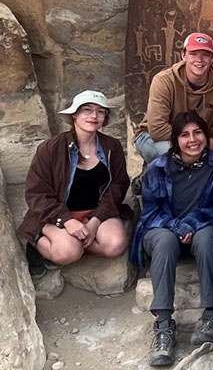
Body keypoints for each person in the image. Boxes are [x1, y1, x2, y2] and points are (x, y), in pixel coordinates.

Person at [130, 110, 213, 366]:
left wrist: (190, 225)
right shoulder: (158, 168)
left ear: (206, 136)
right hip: (162, 230)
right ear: (175, 140)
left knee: (208, 236)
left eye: (198, 133)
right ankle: (163, 326)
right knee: (164, 240)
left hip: (199, 229)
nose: (192, 139)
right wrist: (176, 227)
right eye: (184, 135)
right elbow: (151, 212)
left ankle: (211, 317)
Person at [19, 90, 132, 275]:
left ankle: (77, 241)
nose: (94, 116)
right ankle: (39, 241)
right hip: (57, 213)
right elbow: (36, 193)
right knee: (68, 252)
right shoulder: (50, 149)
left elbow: (118, 185)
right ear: (74, 114)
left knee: (115, 245)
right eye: (87, 110)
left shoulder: (112, 146)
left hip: (93, 212)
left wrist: (95, 222)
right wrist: (67, 221)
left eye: (100, 111)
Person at [133, 32, 213, 163]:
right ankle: (150, 176)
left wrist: (202, 145)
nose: (199, 60)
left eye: (205, 54)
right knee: (174, 155)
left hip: (197, 143)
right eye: (193, 54)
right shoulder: (164, 81)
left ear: (212, 58)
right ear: (183, 55)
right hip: (152, 138)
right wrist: (196, 140)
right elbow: (157, 129)